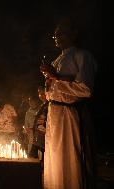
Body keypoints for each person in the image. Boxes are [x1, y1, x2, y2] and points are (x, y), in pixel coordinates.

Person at [40, 17, 97, 189]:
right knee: (55, 161)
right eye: (55, 34)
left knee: (71, 160)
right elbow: (55, 89)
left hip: (70, 116)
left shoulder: (82, 56)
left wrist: (56, 77)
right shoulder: (57, 60)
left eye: (61, 32)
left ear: (74, 33)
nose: (56, 36)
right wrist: (49, 88)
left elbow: (85, 89)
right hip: (55, 115)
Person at [32, 86, 48, 161]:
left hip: (44, 137)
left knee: (43, 159)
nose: (41, 96)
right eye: (39, 93)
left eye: (42, 93)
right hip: (38, 137)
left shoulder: (50, 105)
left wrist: (43, 125)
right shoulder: (43, 105)